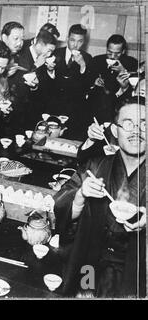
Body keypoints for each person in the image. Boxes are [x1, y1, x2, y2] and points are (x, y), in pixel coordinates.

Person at [54, 96, 146, 297]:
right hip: (91, 264)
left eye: (144, 125)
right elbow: (61, 203)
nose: (136, 132)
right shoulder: (96, 166)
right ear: (115, 131)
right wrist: (80, 196)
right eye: (128, 124)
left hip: (137, 272)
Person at [39, 24, 93, 140]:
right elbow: (44, 83)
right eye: (72, 40)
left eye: (79, 41)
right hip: (53, 106)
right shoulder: (54, 53)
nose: (75, 44)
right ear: (67, 38)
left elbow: (89, 85)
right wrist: (50, 71)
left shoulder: (88, 58)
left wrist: (82, 65)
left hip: (74, 109)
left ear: (83, 42)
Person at [88, 34, 139, 122]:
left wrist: (123, 71)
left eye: (117, 53)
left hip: (119, 106)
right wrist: (94, 82)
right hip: (97, 104)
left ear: (123, 51)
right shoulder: (97, 60)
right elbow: (87, 81)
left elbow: (135, 88)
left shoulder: (132, 63)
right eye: (109, 52)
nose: (112, 56)